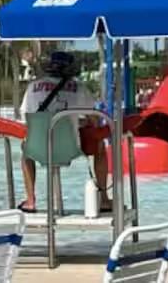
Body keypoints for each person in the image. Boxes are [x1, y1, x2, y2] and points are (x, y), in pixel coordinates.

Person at [17, 51, 111, 214]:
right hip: (70, 148)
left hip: (39, 148)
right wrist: (77, 122)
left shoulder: (33, 87)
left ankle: (30, 200)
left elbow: (27, 118)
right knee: (100, 147)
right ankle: (103, 199)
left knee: (26, 151)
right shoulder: (79, 88)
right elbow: (94, 120)